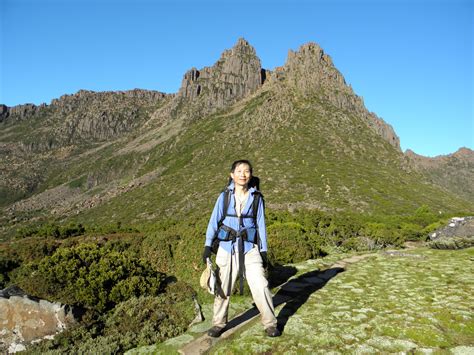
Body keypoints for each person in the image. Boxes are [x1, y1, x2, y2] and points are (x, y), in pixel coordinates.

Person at [202, 160, 280, 338]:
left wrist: (263, 250)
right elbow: (214, 221)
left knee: (261, 285)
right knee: (223, 288)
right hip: (227, 247)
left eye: (246, 171)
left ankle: (270, 324)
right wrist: (207, 245)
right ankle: (218, 324)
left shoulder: (257, 198)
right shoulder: (224, 196)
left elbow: (261, 225)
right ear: (232, 175)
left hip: (249, 248)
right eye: (239, 171)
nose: (242, 174)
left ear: (250, 175)